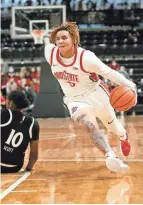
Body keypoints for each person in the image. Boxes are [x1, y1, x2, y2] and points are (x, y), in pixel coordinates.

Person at [44, 22, 137, 173]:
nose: (60, 41)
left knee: (112, 127)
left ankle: (123, 136)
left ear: (73, 39)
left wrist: (130, 86)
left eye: (64, 38)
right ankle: (110, 156)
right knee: (90, 125)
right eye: (57, 38)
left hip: (96, 94)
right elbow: (48, 46)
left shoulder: (86, 58)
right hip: (74, 99)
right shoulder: (50, 52)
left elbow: (109, 73)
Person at [0, 91, 39, 173]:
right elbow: (34, 155)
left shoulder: (3, 114)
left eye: (6, 100)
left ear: (10, 103)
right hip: (14, 167)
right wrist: (28, 169)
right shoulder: (33, 123)